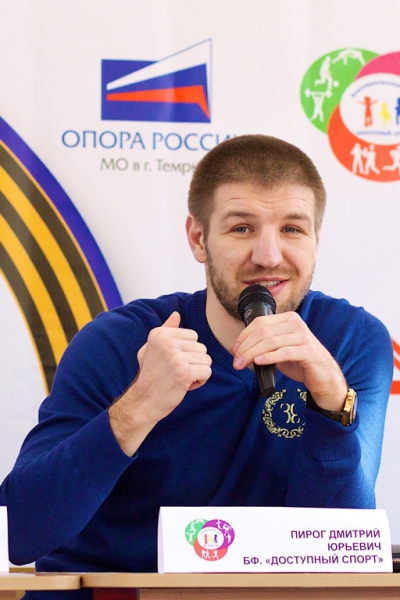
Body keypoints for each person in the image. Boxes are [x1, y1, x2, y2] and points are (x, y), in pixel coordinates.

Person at [0, 135, 393, 598]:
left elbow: (343, 556)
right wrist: (139, 406)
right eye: (242, 228)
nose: (269, 256)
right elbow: (21, 532)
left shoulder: (350, 342)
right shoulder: (116, 342)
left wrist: (331, 405)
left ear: (316, 241)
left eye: (292, 229)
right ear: (198, 238)